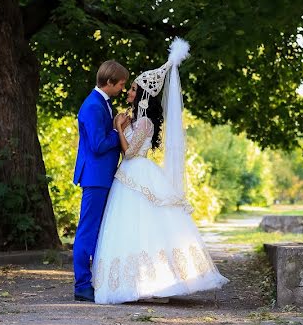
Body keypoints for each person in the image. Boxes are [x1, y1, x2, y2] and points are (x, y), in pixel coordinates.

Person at [92, 38, 228, 304]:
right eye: (128, 89)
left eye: (132, 90)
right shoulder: (134, 118)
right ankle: (136, 283)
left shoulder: (144, 122)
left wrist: (118, 129)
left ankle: (157, 283)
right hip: (128, 176)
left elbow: (130, 152)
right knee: (130, 228)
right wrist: (121, 124)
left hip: (137, 172)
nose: (128, 93)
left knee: (146, 226)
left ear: (142, 95)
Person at [72, 59, 129, 302]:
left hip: (102, 176)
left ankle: (94, 280)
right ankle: (82, 285)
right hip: (95, 177)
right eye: (121, 85)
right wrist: (118, 132)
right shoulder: (93, 106)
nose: (122, 90)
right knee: (88, 230)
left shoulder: (102, 103)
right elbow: (97, 145)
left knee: (97, 230)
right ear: (109, 82)